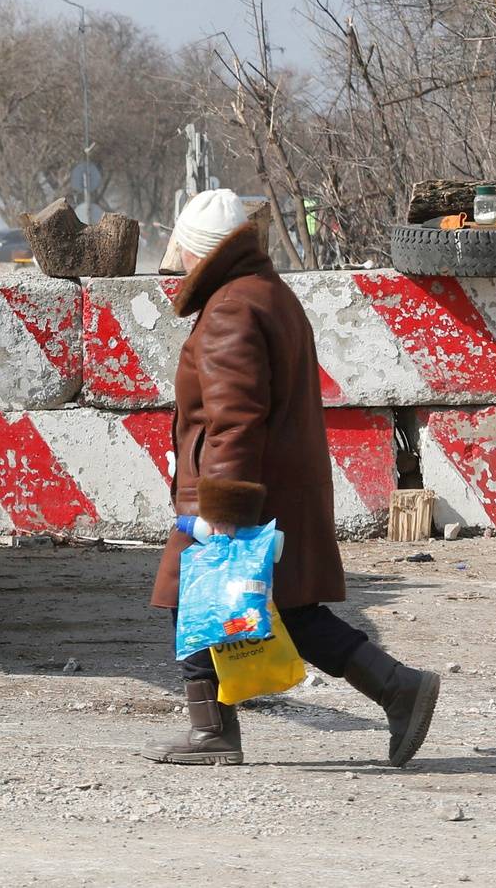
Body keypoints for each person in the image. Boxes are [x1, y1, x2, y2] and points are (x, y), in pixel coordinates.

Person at [147, 189, 441, 767]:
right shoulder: (267, 294)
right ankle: (393, 688)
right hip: (278, 487)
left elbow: (234, 418)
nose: (174, 260)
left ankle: (218, 730)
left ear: (199, 251)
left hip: (240, 493)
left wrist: (222, 511)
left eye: (180, 248)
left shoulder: (231, 308)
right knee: (286, 610)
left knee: (199, 599)